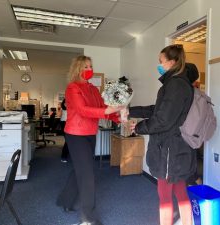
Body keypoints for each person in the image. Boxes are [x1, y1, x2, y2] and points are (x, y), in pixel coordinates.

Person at [129, 45, 197, 225]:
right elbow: (157, 110)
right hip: (174, 146)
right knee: (180, 190)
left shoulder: (176, 84)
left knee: (165, 196)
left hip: (170, 149)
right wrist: (130, 111)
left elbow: (163, 120)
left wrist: (138, 128)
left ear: (172, 62)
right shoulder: (176, 83)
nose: (159, 65)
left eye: (161, 61)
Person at [56, 55, 123, 225]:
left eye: (90, 66)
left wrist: (120, 119)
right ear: (77, 69)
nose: (89, 70)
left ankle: (65, 200)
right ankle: (88, 218)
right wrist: (108, 111)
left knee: (80, 169)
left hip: (90, 134)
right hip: (75, 134)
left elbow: (102, 108)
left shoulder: (93, 89)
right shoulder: (72, 88)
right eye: (85, 67)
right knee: (87, 174)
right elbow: (83, 110)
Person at [60, 98, 69, 162]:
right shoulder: (64, 109)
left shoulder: (65, 108)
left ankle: (66, 153)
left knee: (68, 140)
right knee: (68, 140)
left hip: (67, 123)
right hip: (64, 124)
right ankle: (63, 156)